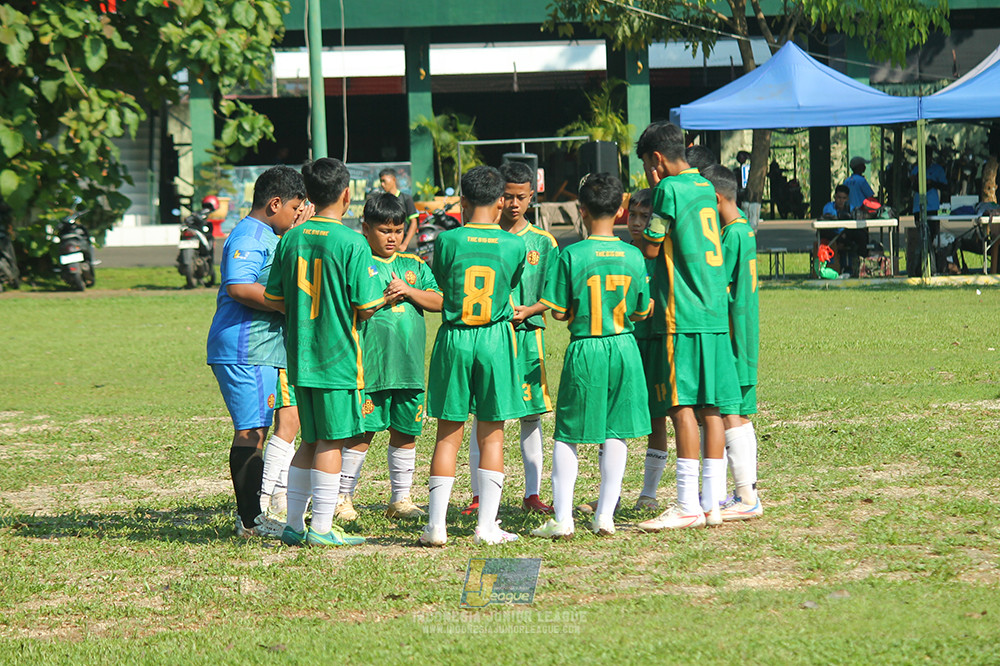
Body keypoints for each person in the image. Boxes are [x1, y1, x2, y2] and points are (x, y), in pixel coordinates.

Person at [264, 157, 385, 548]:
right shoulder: (353, 243)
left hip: (300, 357)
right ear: (347, 195)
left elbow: (274, 297)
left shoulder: (290, 239)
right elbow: (364, 305)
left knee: (310, 442)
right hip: (337, 360)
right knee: (332, 442)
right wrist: (381, 299)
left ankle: (295, 525)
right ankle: (320, 529)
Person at [632, 121, 741, 532]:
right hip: (713, 310)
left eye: (646, 164)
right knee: (711, 408)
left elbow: (653, 243)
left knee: (680, 407)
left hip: (682, 315)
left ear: (656, 160)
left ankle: (684, 504)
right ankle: (711, 503)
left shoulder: (669, 190)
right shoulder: (703, 186)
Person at [530, 173, 652, 539]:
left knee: (568, 432)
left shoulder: (572, 255)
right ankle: (605, 515)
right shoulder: (633, 254)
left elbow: (559, 312)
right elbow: (640, 310)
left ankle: (563, 518)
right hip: (624, 347)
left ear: (581, 211)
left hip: (586, 348)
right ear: (620, 210)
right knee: (616, 431)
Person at [419, 166, 528, 547]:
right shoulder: (516, 245)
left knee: (448, 434)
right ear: (501, 201)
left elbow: (445, 282)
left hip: (456, 337)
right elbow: (510, 283)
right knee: (492, 436)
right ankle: (486, 525)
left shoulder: (447, 241)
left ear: (463, 201)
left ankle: (436, 525)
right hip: (495, 339)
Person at [206, 166, 308, 538]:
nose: (297, 215)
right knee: (250, 432)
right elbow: (239, 287)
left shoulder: (271, 234)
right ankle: (250, 520)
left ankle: (257, 513)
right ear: (274, 203)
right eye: (294, 208)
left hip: (262, 351)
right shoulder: (250, 235)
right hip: (242, 347)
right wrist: (287, 306)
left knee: (262, 428)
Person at [333, 192, 443, 521]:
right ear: (366, 228)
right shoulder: (359, 261)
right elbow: (353, 305)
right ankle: (342, 497)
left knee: (406, 432)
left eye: (397, 230)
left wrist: (409, 291)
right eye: (384, 230)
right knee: (361, 432)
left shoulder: (414, 265)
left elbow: (439, 301)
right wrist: (383, 298)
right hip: (370, 368)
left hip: (407, 367)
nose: (392, 237)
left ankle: (400, 499)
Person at [465, 161, 559, 517]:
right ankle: (478, 495)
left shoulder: (544, 243)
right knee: (484, 416)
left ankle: (532, 493)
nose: (514, 203)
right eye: (507, 196)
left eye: (521, 196)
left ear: (531, 196)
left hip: (526, 339)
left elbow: (554, 293)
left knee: (531, 416)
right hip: (488, 338)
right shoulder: (482, 236)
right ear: (497, 197)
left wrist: (531, 309)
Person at [700, 164, 763, 521]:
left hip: (734, 334)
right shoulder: (742, 229)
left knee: (730, 412)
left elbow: (716, 282)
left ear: (717, 199)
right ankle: (736, 492)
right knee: (733, 411)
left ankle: (746, 495)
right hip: (743, 331)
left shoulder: (730, 235)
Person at [910, 147, 949, 242]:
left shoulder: (937, 169)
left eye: (928, 157)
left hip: (932, 206)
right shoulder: (916, 169)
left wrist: (932, 183)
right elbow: (911, 186)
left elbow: (945, 186)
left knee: (933, 234)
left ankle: (934, 253)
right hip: (918, 206)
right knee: (921, 233)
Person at [379, 168, 420, 252]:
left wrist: (404, 244)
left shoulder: (406, 199)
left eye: (384, 181)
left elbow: (413, 222)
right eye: (381, 182)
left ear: (393, 179)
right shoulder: (380, 200)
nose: (382, 184)